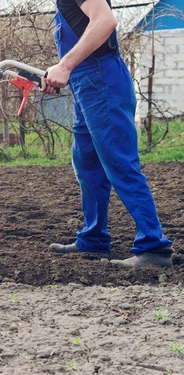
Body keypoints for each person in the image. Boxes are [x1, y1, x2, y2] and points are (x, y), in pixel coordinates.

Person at [41, 0, 173, 267]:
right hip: (85, 83)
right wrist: (61, 71)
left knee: (119, 161)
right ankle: (94, 238)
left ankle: (154, 247)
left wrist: (65, 65)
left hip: (100, 79)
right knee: (87, 163)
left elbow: (105, 21)